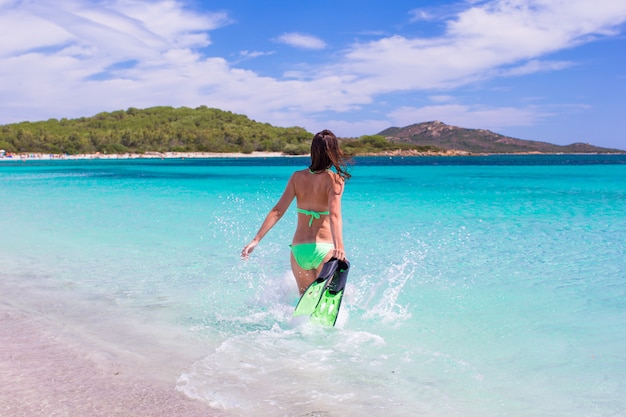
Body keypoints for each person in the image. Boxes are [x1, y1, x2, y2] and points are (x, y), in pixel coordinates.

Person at [241, 129, 351, 294]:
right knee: (323, 300)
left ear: (312, 151)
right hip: (325, 249)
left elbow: (277, 211)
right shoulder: (335, 180)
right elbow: (334, 215)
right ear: (333, 152)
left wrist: (256, 240)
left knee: (305, 301)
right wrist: (339, 247)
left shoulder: (297, 177)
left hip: (299, 251)